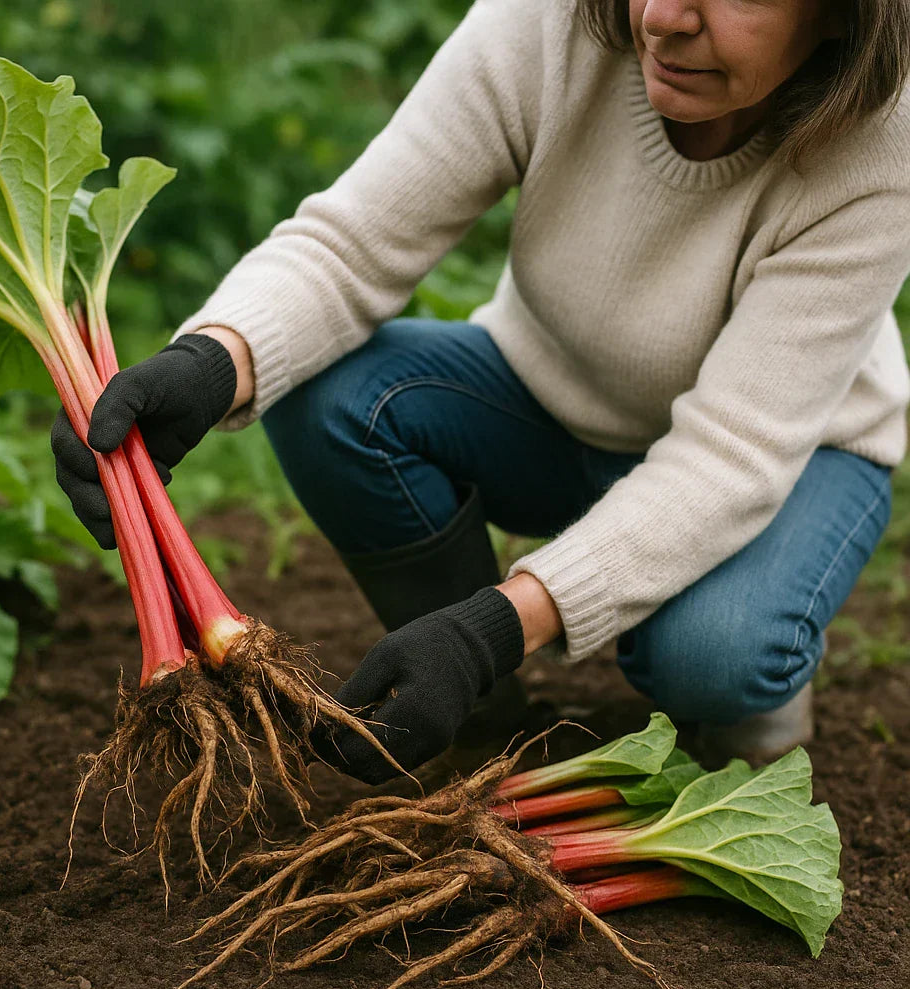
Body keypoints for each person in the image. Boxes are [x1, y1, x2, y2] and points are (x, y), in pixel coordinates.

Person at [52, 0, 910, 784]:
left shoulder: (883, 145)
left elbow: (732, 456)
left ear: (843, 17)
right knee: (332, 398)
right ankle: (474, 706)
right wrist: (209, 362)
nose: (660, 17)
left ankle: (744, 679)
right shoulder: (551, 20)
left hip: (787, 457)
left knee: (710, 654)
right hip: (553, 397)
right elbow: (353, 243)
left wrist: (494, 624)